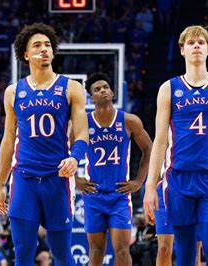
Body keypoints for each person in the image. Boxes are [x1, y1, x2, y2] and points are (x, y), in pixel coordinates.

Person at [143, 25, 208, 266]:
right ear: (182, 50)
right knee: (186, 254)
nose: (196, 45)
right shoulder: (169, 88)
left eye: (201, 42)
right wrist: (149, 186)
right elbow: (159, 141)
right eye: (191, 43)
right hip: (178, 180)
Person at [0, 23, 89, 266]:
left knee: (62, 255)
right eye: (37, 45)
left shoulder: (71, 87)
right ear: (26, 55)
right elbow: (8, 140)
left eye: (48, 45)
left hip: (57, 178)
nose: (44, 49)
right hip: (24, 177)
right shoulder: (13, 92)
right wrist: (0, 185)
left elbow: (82, 134)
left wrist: (75, 158)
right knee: (23, 253)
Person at [75, 72, 152, 266]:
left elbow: (149, 148)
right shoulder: (83, 122)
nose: (103, 91)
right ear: (91, 97)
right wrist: (74, 179)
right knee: (96, 251)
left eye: (105, 87)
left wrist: (139, 181)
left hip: (119, 196)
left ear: (112, 92)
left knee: (122, 251)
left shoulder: (129, 120)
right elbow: (63, 150)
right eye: (97, 89)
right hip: (94, 195)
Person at [154, 179, 202, 266]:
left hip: (193, 186)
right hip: (166, 189)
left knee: (193, 249)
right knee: (163, 248)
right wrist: (150, 189)